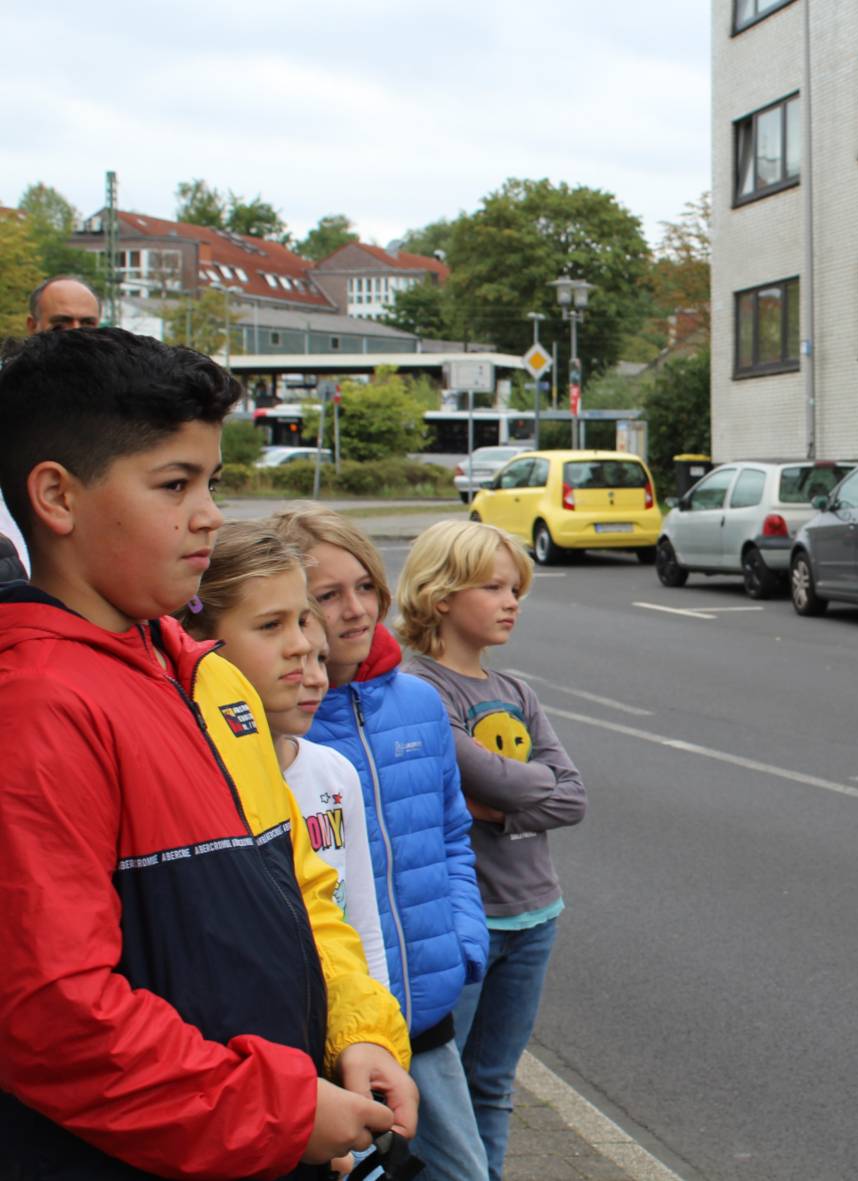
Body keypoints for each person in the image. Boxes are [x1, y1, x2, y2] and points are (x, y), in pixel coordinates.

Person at [0, 328, 415, 1180]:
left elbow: (300, 888)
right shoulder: (37, 704)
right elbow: (54, 1016)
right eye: (174, 484)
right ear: (56, 496)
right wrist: (282, 1110)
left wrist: (355, 1030)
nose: (210, 515)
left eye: (211, 481)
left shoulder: (210, 680)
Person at [270, 503, 492, 1181]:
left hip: (424, 1011)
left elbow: (453, 833)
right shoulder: (284, 728)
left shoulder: (419, 702)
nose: (356, 610)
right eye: (328, 595)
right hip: (329, 1030)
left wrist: (462, 940)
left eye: (365, 586)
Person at [397, 520, 587, 1181]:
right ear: (441, 593)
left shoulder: (516, 692)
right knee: (439, 1094)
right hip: (463, 922)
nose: (512, 601)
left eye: (517, 588)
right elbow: (509, 779)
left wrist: (497, 807)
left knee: (494, 1084)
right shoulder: (420, 690)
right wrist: (514, 787)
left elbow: (574, 796)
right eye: (494, 586)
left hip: (535, 913)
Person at [173, 523, 390, 988]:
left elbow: (361, 927)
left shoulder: (333, 774)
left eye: (301, 625)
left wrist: (380, 1035)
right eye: (272, 625)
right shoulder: (184, 780)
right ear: (195, 638)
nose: (298, 650)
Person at [1, 278, 105, 578]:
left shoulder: (117, 399)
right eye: (60, 324)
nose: (74, 334)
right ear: (32, 326)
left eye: (86, 323)